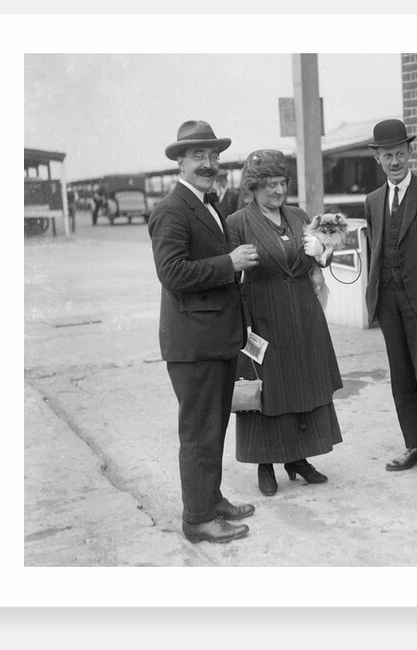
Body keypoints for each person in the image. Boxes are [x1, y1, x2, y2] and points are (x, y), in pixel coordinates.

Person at [148, 119, 260, 544]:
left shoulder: (206, 203)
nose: (208, 163)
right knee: (198, 432)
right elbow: (172, 273)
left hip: (214, 337)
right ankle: (197, 520)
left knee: (212, 428)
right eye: (198, 156)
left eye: (213, 156)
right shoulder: (172, 210)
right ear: (180, 161)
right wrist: (229, 264)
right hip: (193, 344)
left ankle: (209, 500)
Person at [226, 149, 343, 497]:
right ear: (253, 186)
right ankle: (265, 464)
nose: (277, 191)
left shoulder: (298, 215)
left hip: (303, 315)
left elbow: (318, 259)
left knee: (303, 384)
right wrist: (241, 326)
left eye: (282, 183)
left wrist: (321, 255)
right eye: (269, 184)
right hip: (263, 316)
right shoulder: (238, 222)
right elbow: (233, 279)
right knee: (269, 391)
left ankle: (298, 459)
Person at [363, 119, 417, 497]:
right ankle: (415, 445)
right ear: (378, 159)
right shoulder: (372, 200)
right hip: (389, 300)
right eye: (387, 155)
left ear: (410, 153)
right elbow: (376, 248)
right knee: (401, 378)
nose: (395, 161)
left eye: (400, 153)